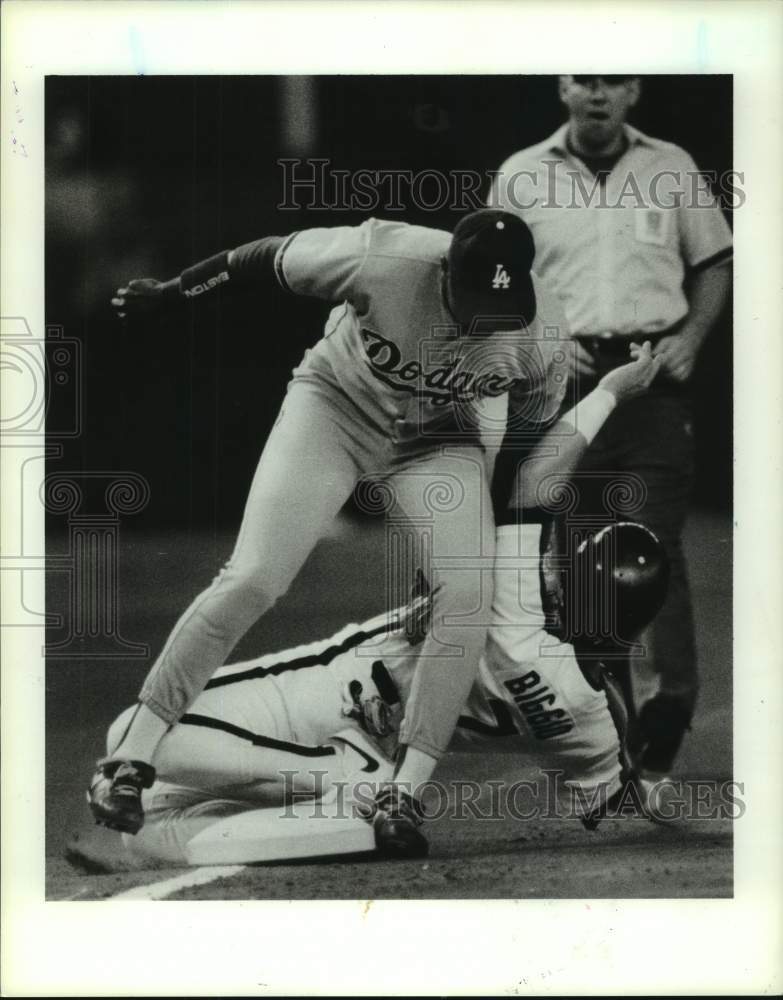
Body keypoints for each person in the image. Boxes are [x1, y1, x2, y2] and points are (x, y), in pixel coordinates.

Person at [89, 209, 572, 858]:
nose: (490, 315)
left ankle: (401, 791)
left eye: (502, 302)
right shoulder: (385, 257)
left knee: (467, 597)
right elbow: (261, 257)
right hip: (336, 406)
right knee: (255, 576)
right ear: (445, 273)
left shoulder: (540, 332)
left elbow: (525, 442)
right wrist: (176, 290)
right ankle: (130, 759)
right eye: (479, 298)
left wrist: (479, 542)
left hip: (435, 441)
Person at [76, 343, 666, 870]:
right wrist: (651, 776)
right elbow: (613, 798)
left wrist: (613, 390)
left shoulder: (522, 607)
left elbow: (536, 478)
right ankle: (360, 806)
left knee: (132, 730)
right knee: (150, 834)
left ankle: (360, 783)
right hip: (373, 745)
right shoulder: (593, 718)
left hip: (326, 694)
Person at [489, 75, 732, 774]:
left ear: (634, 90)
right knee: (580, 561)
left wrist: (688, 339)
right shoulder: (522, 174)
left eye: (614, 80)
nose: (598, 93)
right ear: (562, 87)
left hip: (649, 380)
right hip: (560, 385)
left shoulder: (669, 165)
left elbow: (714, 261)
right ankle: (613, 731)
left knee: (649, 542)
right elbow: (493, 273)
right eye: (584, 79)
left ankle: (668, 707)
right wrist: (534, 334)